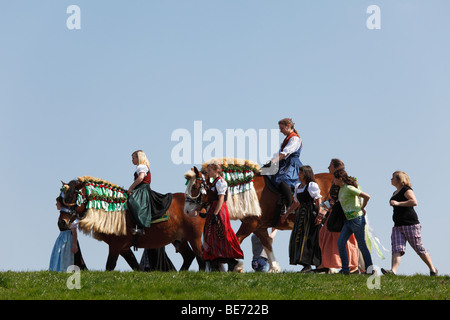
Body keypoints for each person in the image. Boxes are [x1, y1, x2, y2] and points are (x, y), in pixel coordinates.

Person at [381, 171, 438, 276]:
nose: (391, 179)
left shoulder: (406, 190)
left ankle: (432, 269)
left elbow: (414, 201)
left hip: (410, 224)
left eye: (393, 177)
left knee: (418, 248)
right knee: (396, 248)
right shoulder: (395, 193)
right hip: (397, 225)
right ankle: (393, 271)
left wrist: (398, 203)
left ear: (399, 179)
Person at [317, 159, 359, 273]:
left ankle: (352, 265)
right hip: (336, 212)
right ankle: (326, 263)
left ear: (335, 167)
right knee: (325, 235)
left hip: (342, 213)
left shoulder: (341, 181)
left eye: (330, 165)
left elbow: (338, 198)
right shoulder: (336, 180)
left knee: (344, 239)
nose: (328, 168)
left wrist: (325, 208)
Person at [203, 162, 244, 272]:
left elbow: (221, 199)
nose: (208, 172)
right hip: (214, 208)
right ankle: (216, 263)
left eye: (210, 170)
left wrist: (215, 213)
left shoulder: (221, 182)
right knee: (212, 237)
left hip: (219, 209)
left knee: (221, 234)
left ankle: (233, 262)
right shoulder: (213, 182)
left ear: (216, 170)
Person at [281, 165, 322, 273]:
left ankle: (310, 265)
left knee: (308, 238)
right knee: (297, 238)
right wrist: (286, 214)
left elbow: (318, 200)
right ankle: (305, 264)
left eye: (300, 173)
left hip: (310, 215)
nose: (298, 175)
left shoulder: (312, 185)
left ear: (306, 174)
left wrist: (320, 215)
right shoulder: (298, 186)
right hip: (301, 215)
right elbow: (296, 203)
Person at [333, 169, 373, 274]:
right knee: (340, 243)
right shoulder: (341, 189)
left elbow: (366, 196)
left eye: (335, 178)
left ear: (340, 178)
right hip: (348, 221)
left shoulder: (349, 188)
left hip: (357, 220)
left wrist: (362, 207)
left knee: (362, 245)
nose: (333, 180)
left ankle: (370, 270)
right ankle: (345, 270)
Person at [269, 118, 303, 211]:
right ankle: (279, 200)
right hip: (284, 163)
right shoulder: (287, 139)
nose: (281, 131)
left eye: (282, 128)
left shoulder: (295, 138)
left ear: (288, 126)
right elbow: (280, 154)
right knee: (267, 175)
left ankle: (289, 204)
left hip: (291, 164)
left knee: (283, 180)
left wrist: (273, 162)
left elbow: (285, 154)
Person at [49, 197, 87, 272]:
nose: (56, 204)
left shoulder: (69, 216)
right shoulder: (63, 215)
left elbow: (74, 231)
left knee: (68, 257)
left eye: (57, 203)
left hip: (68, 239)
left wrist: (74, 244)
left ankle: (65, 270)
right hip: (62, 237)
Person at [127, 150, 152, 235]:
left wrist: (130, 188)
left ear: (139, 158)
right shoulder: (143, 166)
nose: (132, 160)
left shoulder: (141, 166)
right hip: (141, 188)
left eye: (133, 158)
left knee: (133, 202)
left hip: (142, 189)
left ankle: (139, 226)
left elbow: (141, 178)